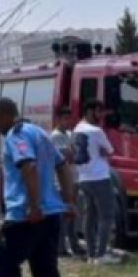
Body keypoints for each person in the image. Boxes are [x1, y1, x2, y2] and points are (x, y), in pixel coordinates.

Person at [0, 97, 75, 277]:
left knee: (2, 268)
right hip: (51, 215)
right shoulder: (39, 132)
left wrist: (34, 205)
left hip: (26, 215)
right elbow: (62, 165)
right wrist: (68, 201)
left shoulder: (17, 136)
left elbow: (29, 168)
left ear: (4, 115)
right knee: (46, 271)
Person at [73, 99, 120, 265]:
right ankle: (101, 255)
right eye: (97, 111)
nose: (100, 115)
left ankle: (91, 255)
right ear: (88, 111)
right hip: (99, 177)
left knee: (90, 216)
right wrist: (104, 152)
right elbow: (110, 150)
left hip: (83, 177)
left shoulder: (77, 128)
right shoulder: (96, 131)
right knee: (106, 215)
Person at [50, 107, 84, 259]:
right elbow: (67, 156)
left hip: (74, 178)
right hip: (62, 183)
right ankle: (60, 247)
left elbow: (78, 153)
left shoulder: (69, 134)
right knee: (64, 215)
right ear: (58, 120)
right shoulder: (55, 136)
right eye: (64, 119)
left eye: (69, 119)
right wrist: (74, 153)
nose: (67, 122)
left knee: (73, 216)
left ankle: (75, 245)